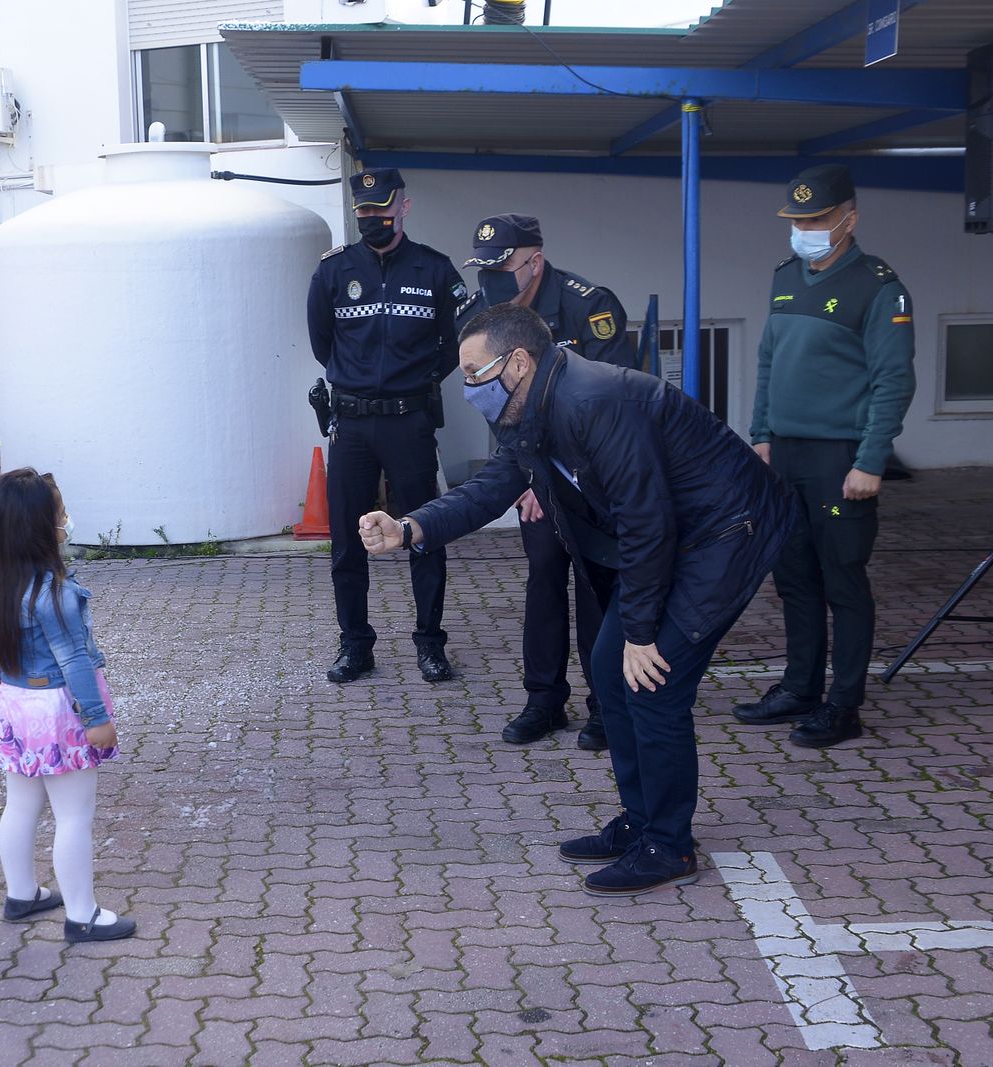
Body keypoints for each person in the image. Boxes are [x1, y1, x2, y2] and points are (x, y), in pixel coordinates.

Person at [361, 304, 795, 896]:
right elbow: (494, 486)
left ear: (516, 363)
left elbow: (646, 521)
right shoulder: (530, 406)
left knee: (653, 680)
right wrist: (411, 527)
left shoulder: (593, 401)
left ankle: (668, 845)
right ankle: (641, 823)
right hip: (678, 536)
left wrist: (641, 633)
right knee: (610, 672)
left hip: (725, 532)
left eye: (471, 372)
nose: (465, 387)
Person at [735, 164, 916, 750]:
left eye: (815, 219)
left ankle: (844, 706)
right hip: (784, 455)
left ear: (849, 218)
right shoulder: (786, 276)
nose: (804, 229)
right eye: (797, 220)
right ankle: (799, 689)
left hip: (840, 458)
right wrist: (761, 434)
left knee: (843, 580)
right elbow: (768, 362)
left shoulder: (879, 285)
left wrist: (870, 460)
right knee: (793, 579)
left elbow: (893, 382)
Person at [464, 213, 637, 751]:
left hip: (590, 483)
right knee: (542, 581)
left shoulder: (589, 305)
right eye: (484, 269)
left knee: (594, 587)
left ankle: (606, 706)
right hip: (530, 474)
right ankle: (543, 700)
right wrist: (525, 476)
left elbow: (611, 404)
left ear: (535, 261)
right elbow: (495, 404)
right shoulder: (481, 314)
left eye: (504, 267)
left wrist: (551, 479)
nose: (492, 281)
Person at [305, 167, 476, 685]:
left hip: (410, 422)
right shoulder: (333, 271)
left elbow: (456, 345)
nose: (373, 219)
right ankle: (355, 646)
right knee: (345, 543)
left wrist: (413, 382)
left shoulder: (436, 270)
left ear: (404, 206)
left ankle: (430, 644)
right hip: (352, 427)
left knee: (426, 534)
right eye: (364, 212)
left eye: (382, 209)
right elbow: (322, 343)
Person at [0, 469, 135, 944]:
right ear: (40, 528)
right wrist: (97, 719)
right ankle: (82, 914)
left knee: (21, 804)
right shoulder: (55, 591)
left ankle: (22, 894)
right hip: (58, 711)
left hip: (15, 704)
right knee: (74, 815)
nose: (66, 519)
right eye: (60, 513)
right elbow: (75, 661)